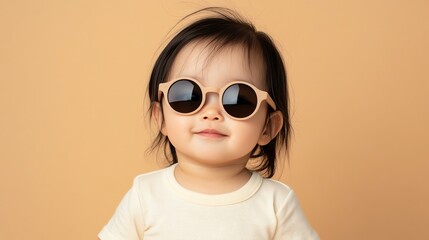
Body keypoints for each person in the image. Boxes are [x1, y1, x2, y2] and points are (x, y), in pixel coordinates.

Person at [98, 7, 319, 240]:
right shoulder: (145, 196)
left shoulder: (276, 204)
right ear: (160, 117)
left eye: (238, 100)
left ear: (268, 127)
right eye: (188, 96)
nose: (211, 113)